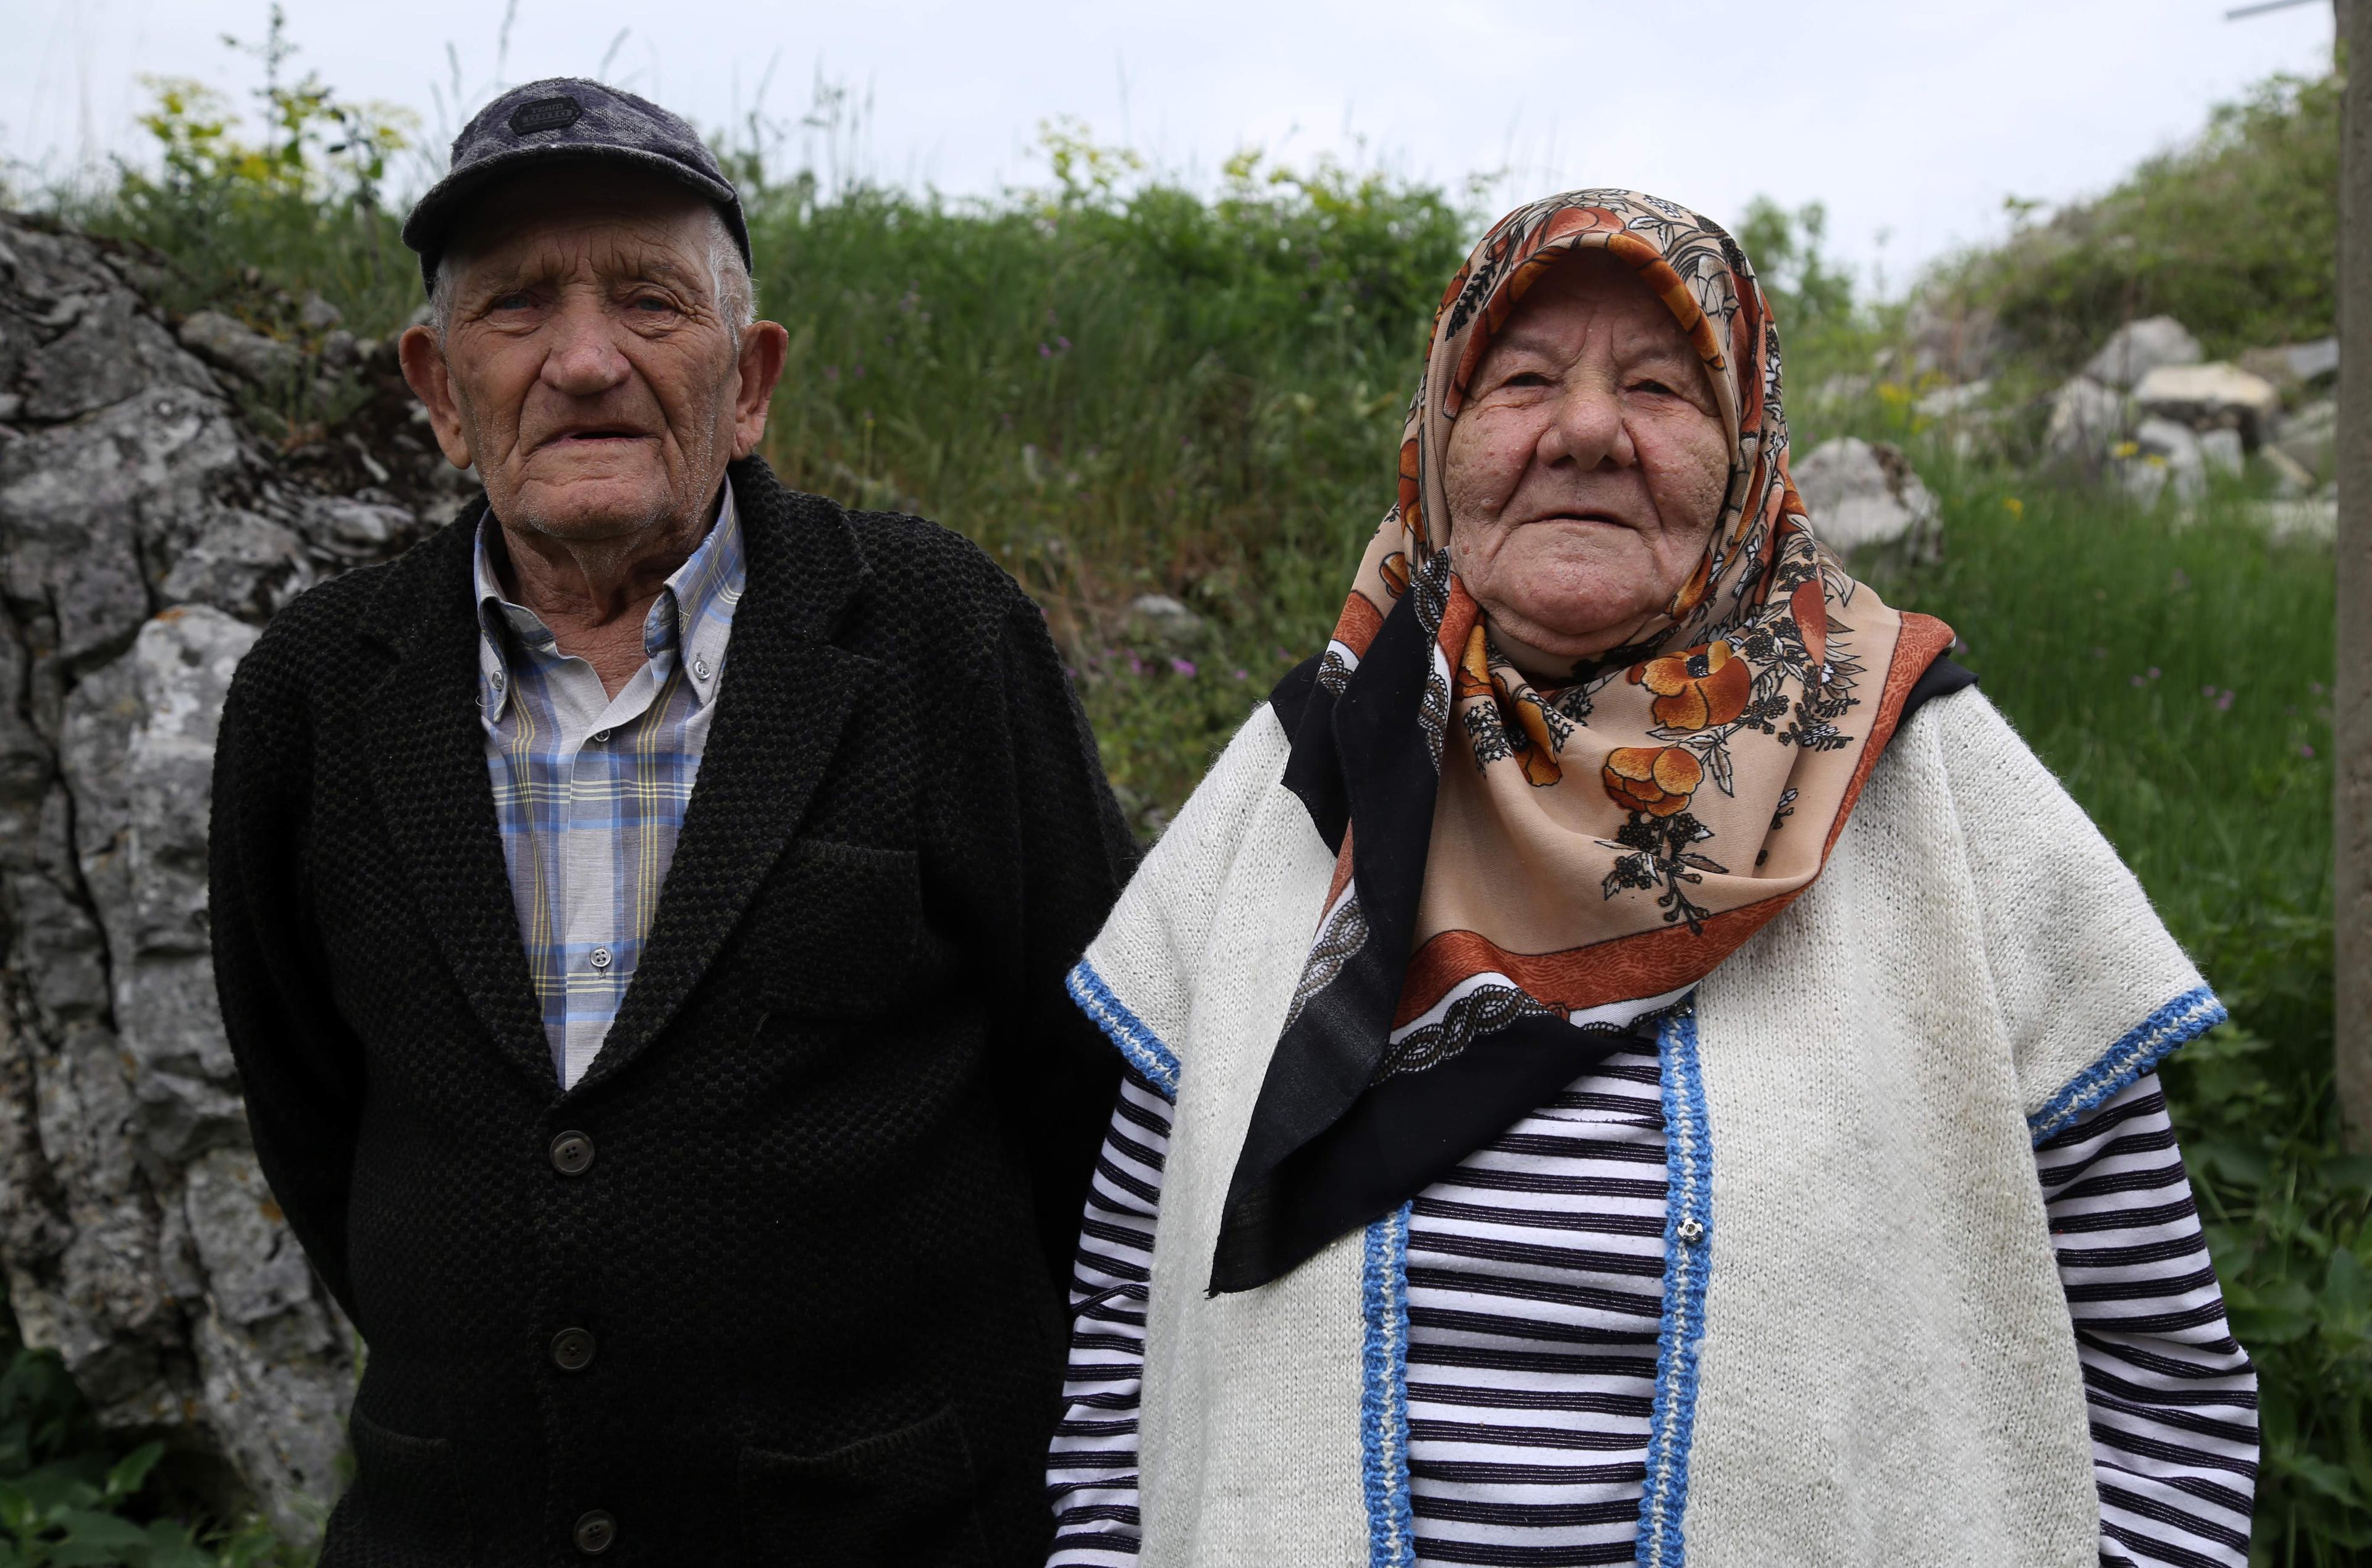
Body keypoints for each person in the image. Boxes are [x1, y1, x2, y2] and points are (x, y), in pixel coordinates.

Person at [1042, 191, 2257, 1567]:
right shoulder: (1307, 777)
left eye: (1662, 386)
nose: (1583, 431)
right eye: (1519, 380)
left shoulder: (1928, 785)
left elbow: (2162, 1391)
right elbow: (1124, 1377)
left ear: (1747, 447)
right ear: (1442, 437)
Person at [209, 78, 1135, 1565]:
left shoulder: (936, 636)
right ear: (440, 388)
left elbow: (1097, 1102)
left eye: (650, 302)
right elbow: (314, 1120)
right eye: (515, 310)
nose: (585, 361)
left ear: (751, 377)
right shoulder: (314, 697)